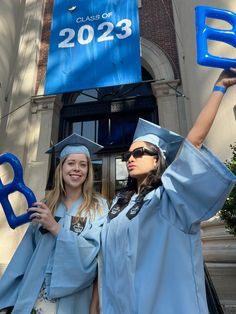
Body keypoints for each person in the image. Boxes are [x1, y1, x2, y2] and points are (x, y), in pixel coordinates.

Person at [99, 68, 236, 314]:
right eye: (128, 154)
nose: (131, 158)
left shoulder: (170, 199)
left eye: (139, 152)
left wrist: (219, 88)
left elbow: (194, 143)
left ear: (157, 160)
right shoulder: (118, 206)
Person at [0, 134, 108, 314]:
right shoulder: (45, 204)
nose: (77, 169)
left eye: (83, 164)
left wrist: (55, 228)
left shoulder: (98, 208)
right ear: (61, 168)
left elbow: (94, 256)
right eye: (71, 163)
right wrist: (6, 301)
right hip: (35, 295)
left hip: (74, 300)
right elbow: (25, 254)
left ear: (88, 171)